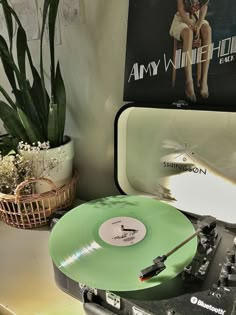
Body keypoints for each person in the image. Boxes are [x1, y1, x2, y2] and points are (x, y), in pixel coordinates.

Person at [170, 0, 212, 102]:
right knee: (188, 33)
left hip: (196, 19)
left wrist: (198, 25)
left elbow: (203, 9)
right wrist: (193, 26)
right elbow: (181, 10)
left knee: (207, 29)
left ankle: (204, 81)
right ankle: (189, 82)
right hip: (181, 20)